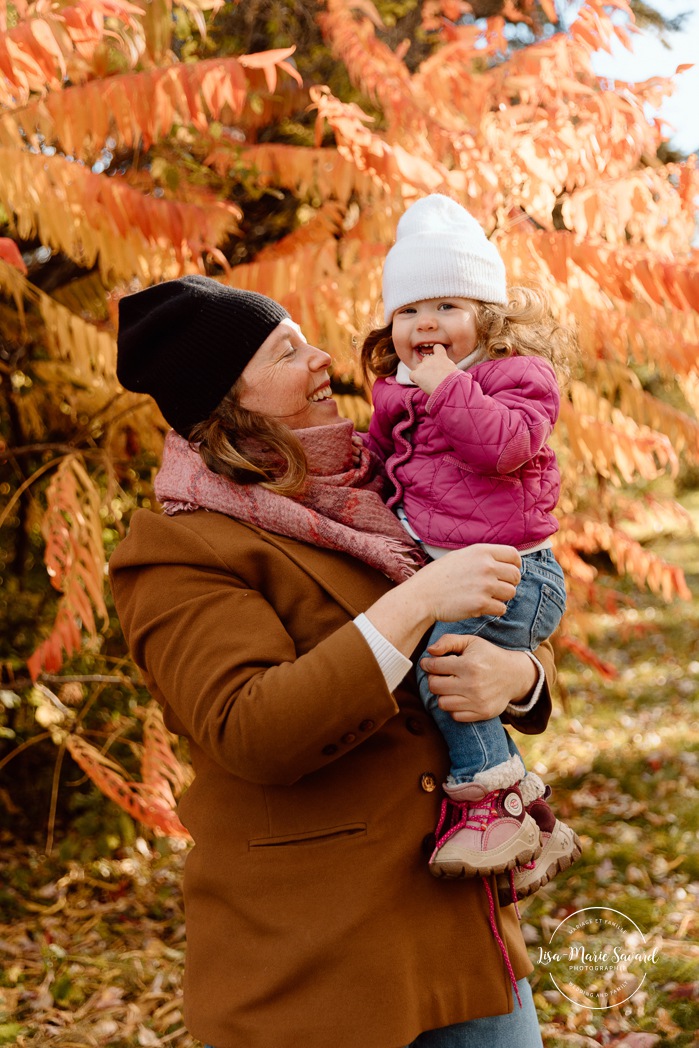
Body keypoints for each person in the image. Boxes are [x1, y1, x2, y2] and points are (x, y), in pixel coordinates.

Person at [110, 274, 557, 1048]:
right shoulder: (177, 548)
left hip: (464, 942)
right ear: (228, 401)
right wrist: (414, 603)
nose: (322, 358)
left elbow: (496, 613)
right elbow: (250, 728)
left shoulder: (377, 486)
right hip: (322, 966)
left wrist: (521, 678)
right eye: (286, 350)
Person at [361, 194, 581, 899]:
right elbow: (379, 470)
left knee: (444, 668)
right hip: (459, 571)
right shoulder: (394, 393)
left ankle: (491, 802)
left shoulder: (516, 378)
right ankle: (535, 823)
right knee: (447, 672)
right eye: (407, 312)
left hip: (521, 572)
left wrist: (448, 387)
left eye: (446, 308)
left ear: (488, 317)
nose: (424, 324)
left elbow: (505, 448)